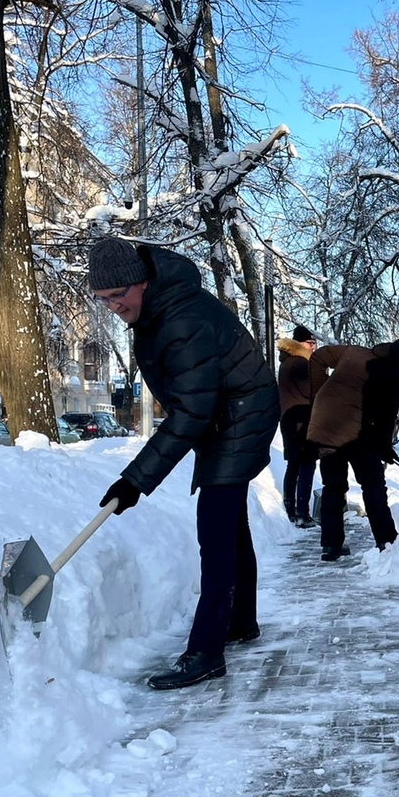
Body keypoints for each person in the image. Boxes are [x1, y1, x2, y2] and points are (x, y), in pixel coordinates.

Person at [87, 235, 280, 691]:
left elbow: (191, 410)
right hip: (225, 413)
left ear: (143, 282)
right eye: (104, 299)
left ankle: (206, 653)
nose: (114, 306)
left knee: (214, 531)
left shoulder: (180, 318)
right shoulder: (161, 308)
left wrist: (135, 480)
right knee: (229, 526)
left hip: (238, 415)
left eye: (119, 294)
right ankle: (240, 621)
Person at [307, 337, 399, 560]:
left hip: (327, 425)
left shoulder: (353, 352)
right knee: (373, 485)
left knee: (333, 486)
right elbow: (387, 418)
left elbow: (319, 357)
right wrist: (384, 448)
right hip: (359, 434)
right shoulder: (396, 377)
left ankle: (331, 545)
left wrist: (319, 394)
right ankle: (387, 542)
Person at [277, 324, 319, 528]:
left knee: (293, 465)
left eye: (314, 343)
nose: (313, 346)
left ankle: (290, 509)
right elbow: (311, 391)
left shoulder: (286, 363)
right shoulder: (300, 364)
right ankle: (302, 513)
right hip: (302, 420)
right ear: (298, 344)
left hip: (288, 420)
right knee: (307, 465)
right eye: (310, 343)